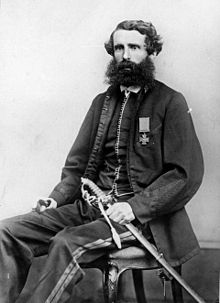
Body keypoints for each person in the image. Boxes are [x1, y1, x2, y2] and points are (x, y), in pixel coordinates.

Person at [0, 20, 204, 303]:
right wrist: (56, 199)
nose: (126, 55)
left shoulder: (171, 102)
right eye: (119, 48)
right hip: (90, 208)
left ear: (151, 52)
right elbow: (77, 166)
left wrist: (134, 208)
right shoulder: (101, 103)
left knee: (65, 244)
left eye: (134, 47)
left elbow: (183, 175)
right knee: (7, 231)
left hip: (141, 220)